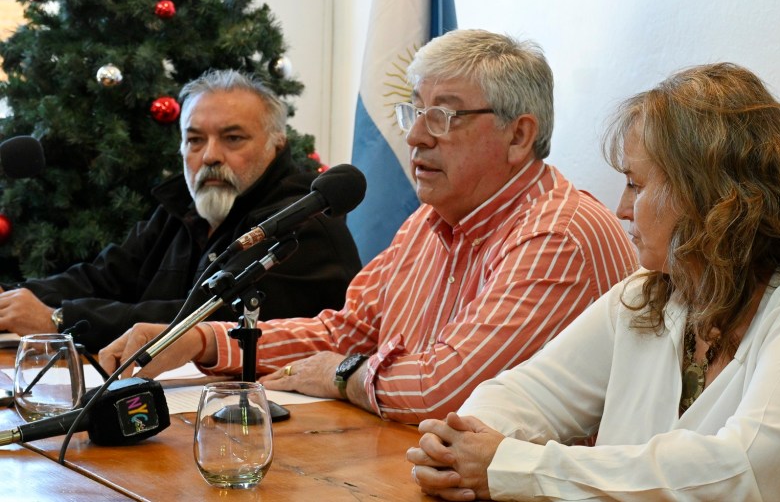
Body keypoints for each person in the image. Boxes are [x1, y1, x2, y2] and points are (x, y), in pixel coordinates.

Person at [408, 62, 780, 501]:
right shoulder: (646, 296)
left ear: (713, 198)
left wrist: (516, 467)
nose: (622, 208)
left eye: (636, 184)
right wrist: (461, 448)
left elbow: (741, 478)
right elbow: (522, 395)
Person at [98, 29, 638, 423]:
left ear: (520, 136)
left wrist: (341, 374)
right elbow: (345, 330)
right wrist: (202, 341)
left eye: (444, 116)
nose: (417, 137)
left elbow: (446, 392)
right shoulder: (428, 223)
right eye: (414, 111)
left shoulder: (557, 233)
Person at [0, 69, 362, 353]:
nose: (210, 156)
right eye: (195, 140)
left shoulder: (301, 223)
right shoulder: (183, 208)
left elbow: (208, 319)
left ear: (276, 144)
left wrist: (61, 319)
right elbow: (103, 277)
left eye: (233, 138)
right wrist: (12, 302)